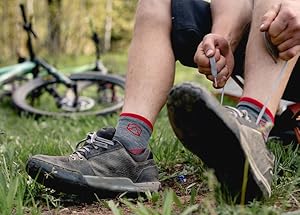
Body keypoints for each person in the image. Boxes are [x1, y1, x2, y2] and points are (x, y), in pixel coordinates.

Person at [26, 0, 300, 202]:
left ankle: (254, 126)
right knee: (159, 4)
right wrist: (221, 37)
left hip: (286, 32)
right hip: (270, 39)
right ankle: (129, 148)